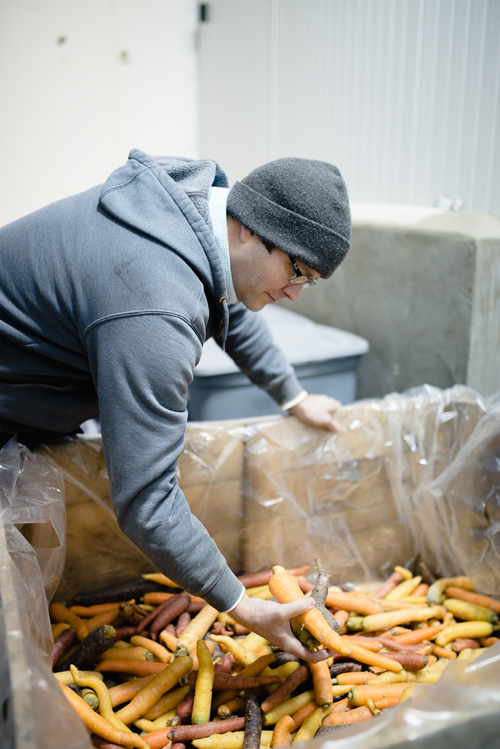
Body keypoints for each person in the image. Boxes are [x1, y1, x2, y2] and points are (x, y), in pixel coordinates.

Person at [0, 150, 351, 660]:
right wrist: (242, 607)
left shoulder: (189, 210)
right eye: (296, 270)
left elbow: (235, 302)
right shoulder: (154, 302)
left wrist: (292, 396)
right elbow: (146, 500)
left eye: (310, 280)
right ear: (249, 230)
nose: (296, 294)